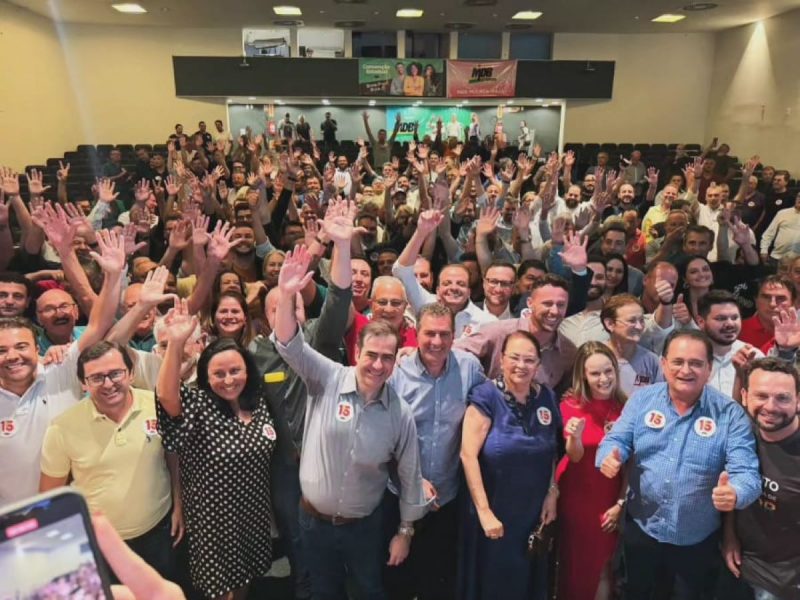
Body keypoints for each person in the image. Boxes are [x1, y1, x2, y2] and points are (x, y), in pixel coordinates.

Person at [272, 245, 427, 600]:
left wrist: (405, 532)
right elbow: (288, 343)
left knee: (368, 592)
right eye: (371, 355)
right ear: (358, 352)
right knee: (322, 593)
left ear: (395, 362)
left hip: (365, 528)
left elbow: (409, 474)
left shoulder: (399, 412)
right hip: (313, 523)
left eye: (387, 358)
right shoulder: (325, 376)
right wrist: (286, 295)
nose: (378, 364)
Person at [597, 329, 762, 600]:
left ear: (709, 369)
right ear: (664, 364)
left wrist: (736, 492)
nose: (686, 370)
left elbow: (746, 472)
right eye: (678, 362)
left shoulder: (730, 414)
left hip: (696, 541)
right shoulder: (642, 400)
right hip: (641, 531)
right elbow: (617, 439)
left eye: (696, 363)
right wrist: (608, 456)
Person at [0, 230, 125, 504]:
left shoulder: (59, 370)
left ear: (37, 349)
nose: (12, 356)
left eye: (21, 347)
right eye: (2, 350)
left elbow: (98, 324)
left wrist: (114, 276)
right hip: (10, 522)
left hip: (75, 511)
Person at [39, 341, 181, 581]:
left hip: (160, 531)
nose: (108, 384)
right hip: (102, 543)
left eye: (115, 373)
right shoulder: (62, 427)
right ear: (83, 383)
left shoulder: (157, 406)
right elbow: (51, 496)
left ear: (131, 373)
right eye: (96, 378)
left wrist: (179, 505)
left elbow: (173, 458)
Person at [384, 302, 485, 600]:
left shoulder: (470, 368)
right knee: (397, 579)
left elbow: (488, 410)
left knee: (438, 583)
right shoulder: (397, 373)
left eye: (444, 334)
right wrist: (412, 479)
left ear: (454, 336)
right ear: (416, 333)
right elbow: (382, 438)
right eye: (429, 334)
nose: (437, 342)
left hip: (447, 497)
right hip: (399, 495)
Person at [460, 330, 560, 600]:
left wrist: (552, 492)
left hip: (532, 514)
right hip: (494, 510)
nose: (521, 366)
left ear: (538, 365)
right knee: (493, 584)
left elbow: (551, 449)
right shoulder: (485, 396)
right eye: (514, 358)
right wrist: (484, 512)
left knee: (526, 582)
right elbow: (468, 455)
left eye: (529, 360)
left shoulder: (547, 398)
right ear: (502, 360)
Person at [722, 357, 800, 600]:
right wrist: (729, 536)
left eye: (782, 398)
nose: (770, 407)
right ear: (745, 397)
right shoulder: (741, 434)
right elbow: (732, 488)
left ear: (798, 400)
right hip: (737, 567)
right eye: (761, 396)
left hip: (783, 584)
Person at [556, 341, 627, 600]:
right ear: (583, 375)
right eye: (595, 373)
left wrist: (621, 502)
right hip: (577, 498)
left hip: (610, 498)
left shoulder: (626, 407)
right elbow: (574, 455)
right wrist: (574, 437)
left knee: (603, 567)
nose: (603, 378)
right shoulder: (570, 406)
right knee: (576, 567)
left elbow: (632, 462)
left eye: (608, 371)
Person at [696, 290, 763, 398]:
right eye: (721, 319)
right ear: (701, 322)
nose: (730, 324)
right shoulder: (687, 356)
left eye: (734, 318)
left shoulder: (753, 356)